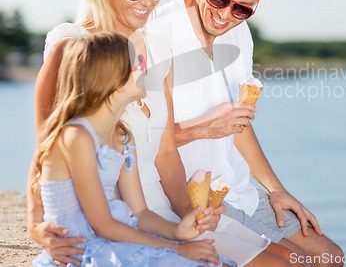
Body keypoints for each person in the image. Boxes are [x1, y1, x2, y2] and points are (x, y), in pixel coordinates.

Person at [29, 0, 294, 267]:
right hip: (111, 223)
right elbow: (44, 149)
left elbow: (166, 152)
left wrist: (191, 220)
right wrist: (37, 224)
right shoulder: (72, 48)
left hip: (158, 213)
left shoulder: (155, 47)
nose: (147, 4)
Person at [148, 0, 344, 267]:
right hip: (181, 200)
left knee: (330, 257)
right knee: (294, 264)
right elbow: (140, 142)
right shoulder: (157, 35)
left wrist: (276, 188)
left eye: (242, 7)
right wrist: (203, 129)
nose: (226, 15)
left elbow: (238, 123)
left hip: (237, 191)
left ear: (258, 2)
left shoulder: (240, 33)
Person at [32, 33, 231, 266]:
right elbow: (102, 225)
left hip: (114, 238)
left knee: (216, 262)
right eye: (138, 63)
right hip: (82, 250)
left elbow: (141, 213)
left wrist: (178, 232)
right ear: (111, 78)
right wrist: (177, 251)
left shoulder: (122, 136)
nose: (146, 67)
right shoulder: (76, 137)